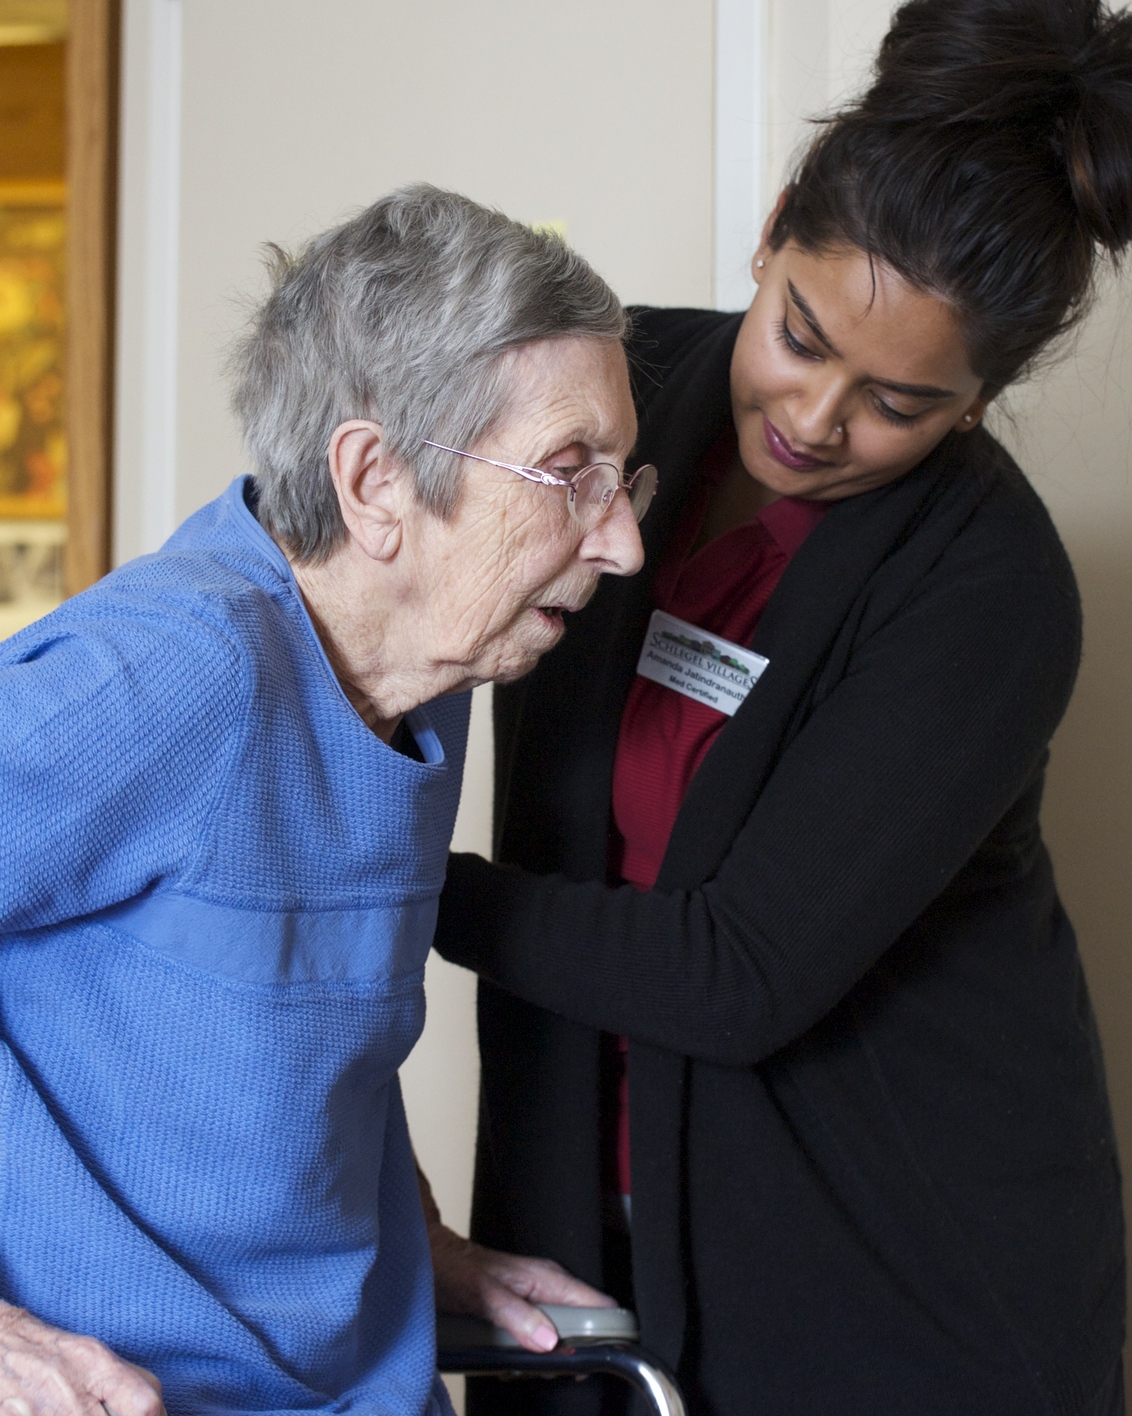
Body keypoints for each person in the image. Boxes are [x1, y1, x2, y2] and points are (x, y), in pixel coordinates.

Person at [431, 2, 1132, 1412]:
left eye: (899, 403)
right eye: (800, 334)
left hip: (899, 1285)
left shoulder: (986, 591)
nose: (814, 417)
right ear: (767, 239)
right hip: (584, 1220)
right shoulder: (616, 401)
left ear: (976, 406)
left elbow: (735, 972)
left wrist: (380, 879)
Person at [0, 185, 653, 1416]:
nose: (621, 543)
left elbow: (317, 1023)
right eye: (571, 473)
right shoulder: (173, 674)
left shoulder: (423, 679)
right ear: (375, 482)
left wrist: (426, 1244)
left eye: (626, 477)